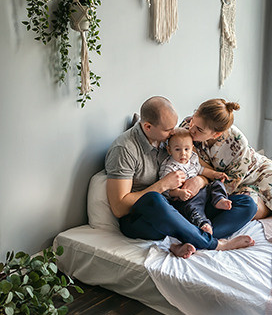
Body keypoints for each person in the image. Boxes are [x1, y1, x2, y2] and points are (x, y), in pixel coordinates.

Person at [105, 96, 256, 258]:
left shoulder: (169, 139)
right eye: (169, 130)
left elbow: (202, 170)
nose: (174, 132)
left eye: (174, 127)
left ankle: (192, 238)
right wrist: (163, 185)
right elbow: (119, 208)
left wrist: (198, 181)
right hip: (147, 216)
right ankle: (214, 243)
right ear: (148, 127)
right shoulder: (124, 149)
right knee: (154, 199)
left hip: (180, 207)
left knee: (247, 204)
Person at [181, 99, 272, 220]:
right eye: (193, 121)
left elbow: (227, 184)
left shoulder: (237, 143)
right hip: (237, 186)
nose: (191, 129)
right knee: (250, 211)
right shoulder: (187, 126)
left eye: (199, 129)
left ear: (216, 134)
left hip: (255, 174)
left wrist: (201, 174)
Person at [159, 129, 232, 235]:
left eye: (186, 149)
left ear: (192, 149)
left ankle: (219, 199)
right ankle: (203, 224)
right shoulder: (169, 168)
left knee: (217, 184)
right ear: (169, 150)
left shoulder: (192, 158)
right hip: (188, 199)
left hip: (202, 192)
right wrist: (179, 193)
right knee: (192, 209)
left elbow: (201, 170)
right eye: (177, 149)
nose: (183, 154)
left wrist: (214, 174)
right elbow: (166, 190)